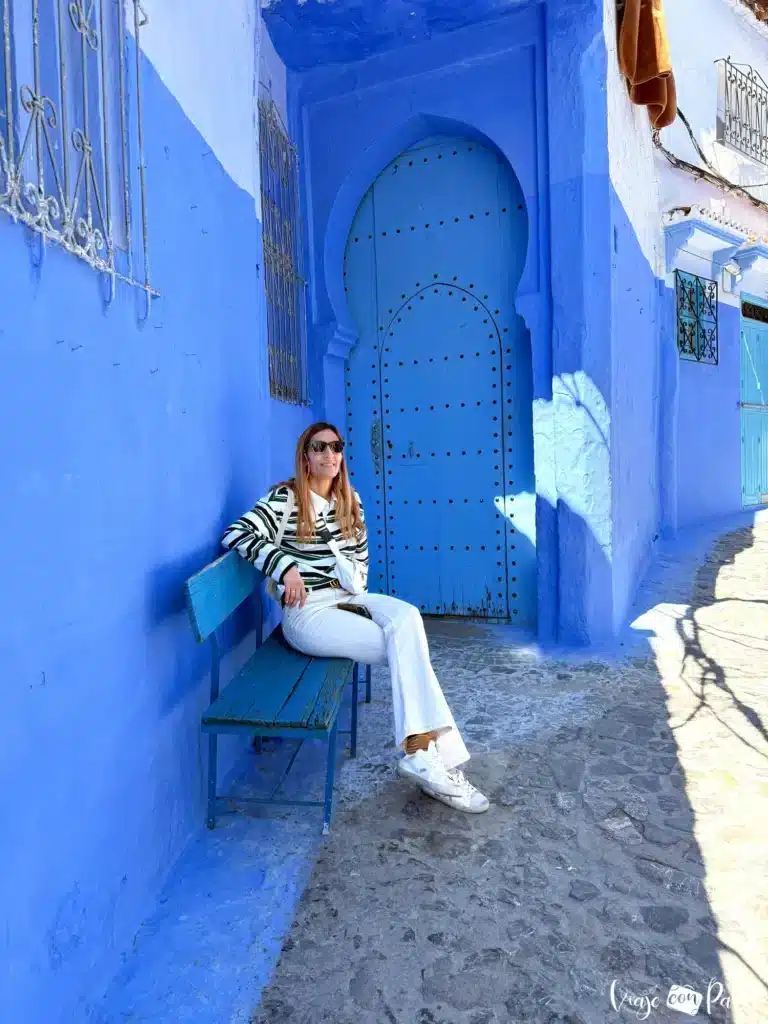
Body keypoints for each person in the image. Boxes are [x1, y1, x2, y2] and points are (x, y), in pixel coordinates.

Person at [221, 421, 489, 813]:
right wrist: (285, 568)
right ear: (306, 456)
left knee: (408, 620)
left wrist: (349, 576)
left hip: (350, 598)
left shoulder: (351, 501)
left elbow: (361, 564)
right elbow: (238, 534)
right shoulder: (286, 498)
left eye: (336, 447)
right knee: (407, 650)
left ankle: (424, 756)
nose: (329, 455)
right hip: (309, 614)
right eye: (319, 448)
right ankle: (428, 757)